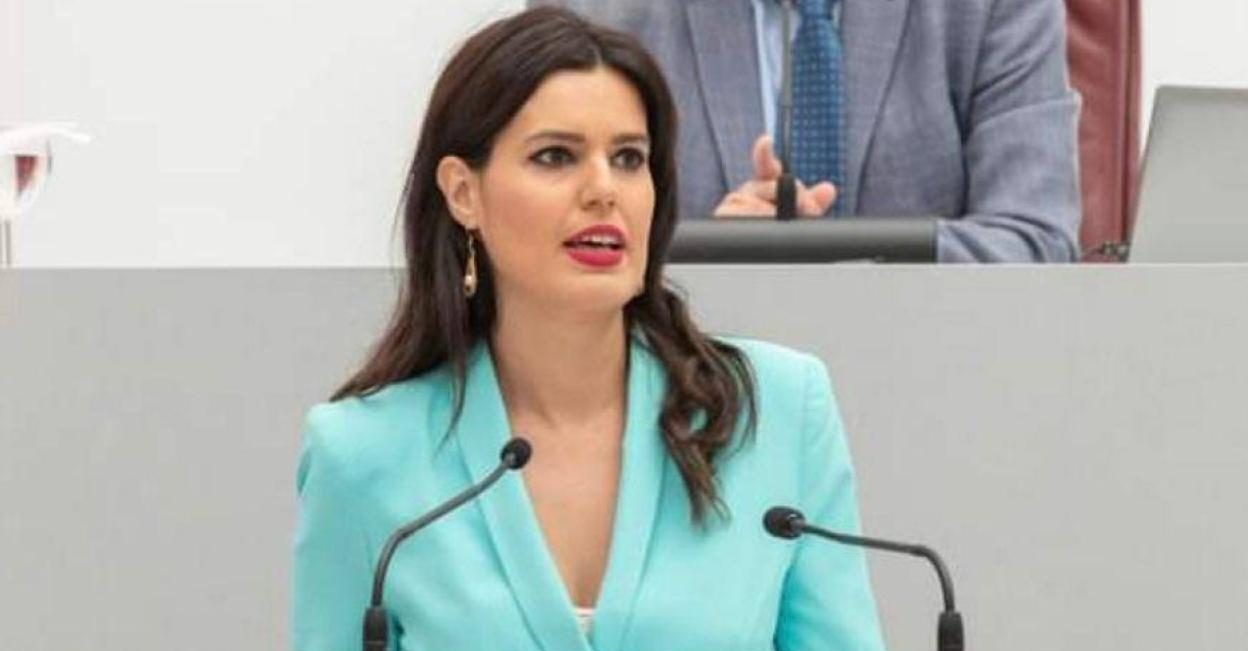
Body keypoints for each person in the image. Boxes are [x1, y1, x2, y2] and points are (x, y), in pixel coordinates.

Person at [292, 7, 883, 650]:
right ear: (463, 192)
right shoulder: (361, 453)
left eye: (628, 158)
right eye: (555, 156)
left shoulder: (778, 411)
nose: (604, 190)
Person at [532, 0, 1083, 262]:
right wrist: (718, 254)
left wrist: (832, 257)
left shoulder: (994, 8)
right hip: (680, 381)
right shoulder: (595, 11)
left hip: (934, 374)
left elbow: (1035, 243)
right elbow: (550, 253)